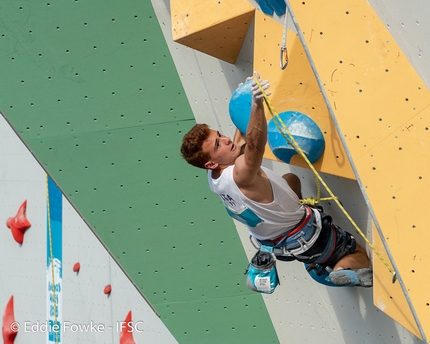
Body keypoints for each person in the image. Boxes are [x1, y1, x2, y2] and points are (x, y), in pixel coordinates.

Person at [180, 72, 372, 287]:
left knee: (290, 179)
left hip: (277, 242)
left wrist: (243, 101)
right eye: (217, 145)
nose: (225, 140)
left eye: (219, 136)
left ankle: (315, 258)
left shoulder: (214, 176)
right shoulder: (240, 175)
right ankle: (343, 269)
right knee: (357, 253)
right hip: (305, 235)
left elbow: (240, 139)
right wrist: (258, 106)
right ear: (211, 163)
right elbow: (254, 144)